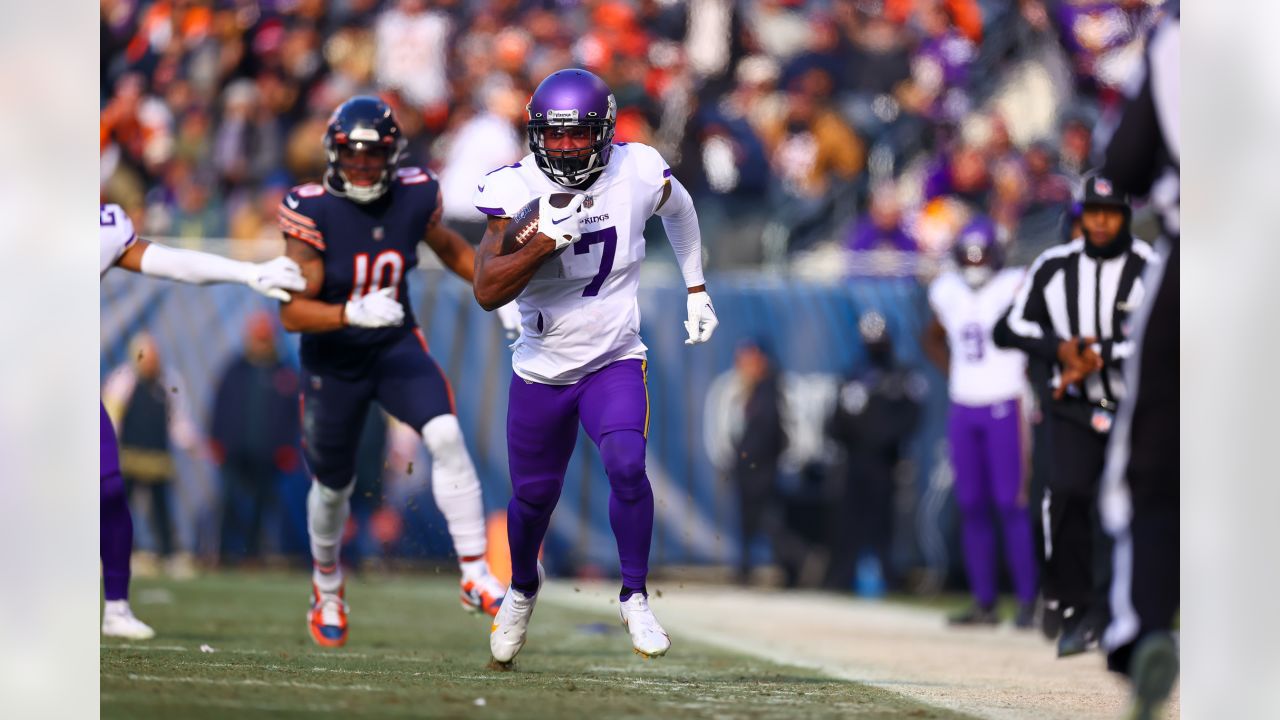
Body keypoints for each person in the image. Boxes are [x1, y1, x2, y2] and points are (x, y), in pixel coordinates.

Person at [471, 68, 719, 663]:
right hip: (541, 369)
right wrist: (539, 243)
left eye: (575, 136)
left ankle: (634, 595)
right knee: (533, 499)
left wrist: (696, 287)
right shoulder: (512, 189)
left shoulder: (636, 169)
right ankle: (523, 590)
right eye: (552, 137)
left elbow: (680, 210)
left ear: (602, 133)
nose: (562, 148)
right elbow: (485, 289)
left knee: (627, 465)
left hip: (613, 357)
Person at [277, 96, 519, 648]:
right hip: (333, 356)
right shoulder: (310, 208)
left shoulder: (414, 193)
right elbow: (291, 311)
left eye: (372, 156)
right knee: (334, 488)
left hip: (392, 346)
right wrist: (346, 312)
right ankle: (328, 585)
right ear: (335, 154)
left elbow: (452, 247)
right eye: (353, 155)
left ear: (391, 155)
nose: (362, 166)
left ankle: (475, 572)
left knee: (446, 435)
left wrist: (498, 295)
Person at [99, 202, 306, 639]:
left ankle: (115, 606)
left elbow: (172, 263)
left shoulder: (95, 228)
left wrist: (248, 274)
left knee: (109, 487)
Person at [994, 176, 1160, 658]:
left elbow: (1167, 332)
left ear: (1127, 216)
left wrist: (1103, 354)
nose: (1102, 221)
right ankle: (1075, 602)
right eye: (1093, 211)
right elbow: (1009, 327)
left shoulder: (1148, 267)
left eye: (1111, 211)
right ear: (1080, 215)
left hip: (1128, 409)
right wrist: (1061, 349)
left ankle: (1112, 612)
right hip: (1072, 409)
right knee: (1067, 496)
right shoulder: (1054, 266)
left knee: (1123, 510)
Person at [1097, 6, 1180, 717]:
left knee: (1151, 464)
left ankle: (1145, 628)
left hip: (1205, 257)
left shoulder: (1180, 39)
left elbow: (1124, 163)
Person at [922, 217, 1037, 627]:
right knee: (971, 505)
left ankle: (1027, 602)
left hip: (1006, 402)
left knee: (1011, 504)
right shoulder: (947, 291)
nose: (975, 263)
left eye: (982, 255)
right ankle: (984, 602)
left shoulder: (1014, 285)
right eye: (968, 256)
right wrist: (956, 372)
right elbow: (931, 335)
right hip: (964, 405)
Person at [825, 311, 924, 593]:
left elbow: (912, 415)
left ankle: (887, 575)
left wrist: (885, 439)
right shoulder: (854, 376)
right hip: (856, 460)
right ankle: (842, 576)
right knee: (850, 521)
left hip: (885, 460)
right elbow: (834, 421)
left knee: (883, 522)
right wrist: (851, 434)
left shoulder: (900, 377)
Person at [102, 332, 200, 579]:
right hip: (129, 458)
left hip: (158, 459)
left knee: (161, 511)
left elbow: (178, 420)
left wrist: (192, 443)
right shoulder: (122, 381)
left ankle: (169, 555)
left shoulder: (169, 382)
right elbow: (111, 417)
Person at [210, 311, 301, 564]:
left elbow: (292, 416)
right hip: (234, 453)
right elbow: (220, 406)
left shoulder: (284, 373)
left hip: (268, 456)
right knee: (229, 504)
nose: (261, 343)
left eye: (265, 337)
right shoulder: (235, 369)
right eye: (257, 336)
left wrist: (287, 449)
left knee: (262, 509)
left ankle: (253, 556)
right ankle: (225, 555)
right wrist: (218, 441)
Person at [730, 339, 788, 586]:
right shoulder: (754, 389)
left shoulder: (768, 389)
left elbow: (769, 432)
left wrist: (751, 458)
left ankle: (797, 561)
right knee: (753, 521)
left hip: (760, 468)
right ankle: (746, 568)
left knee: (766, 520)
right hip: (753, 466)